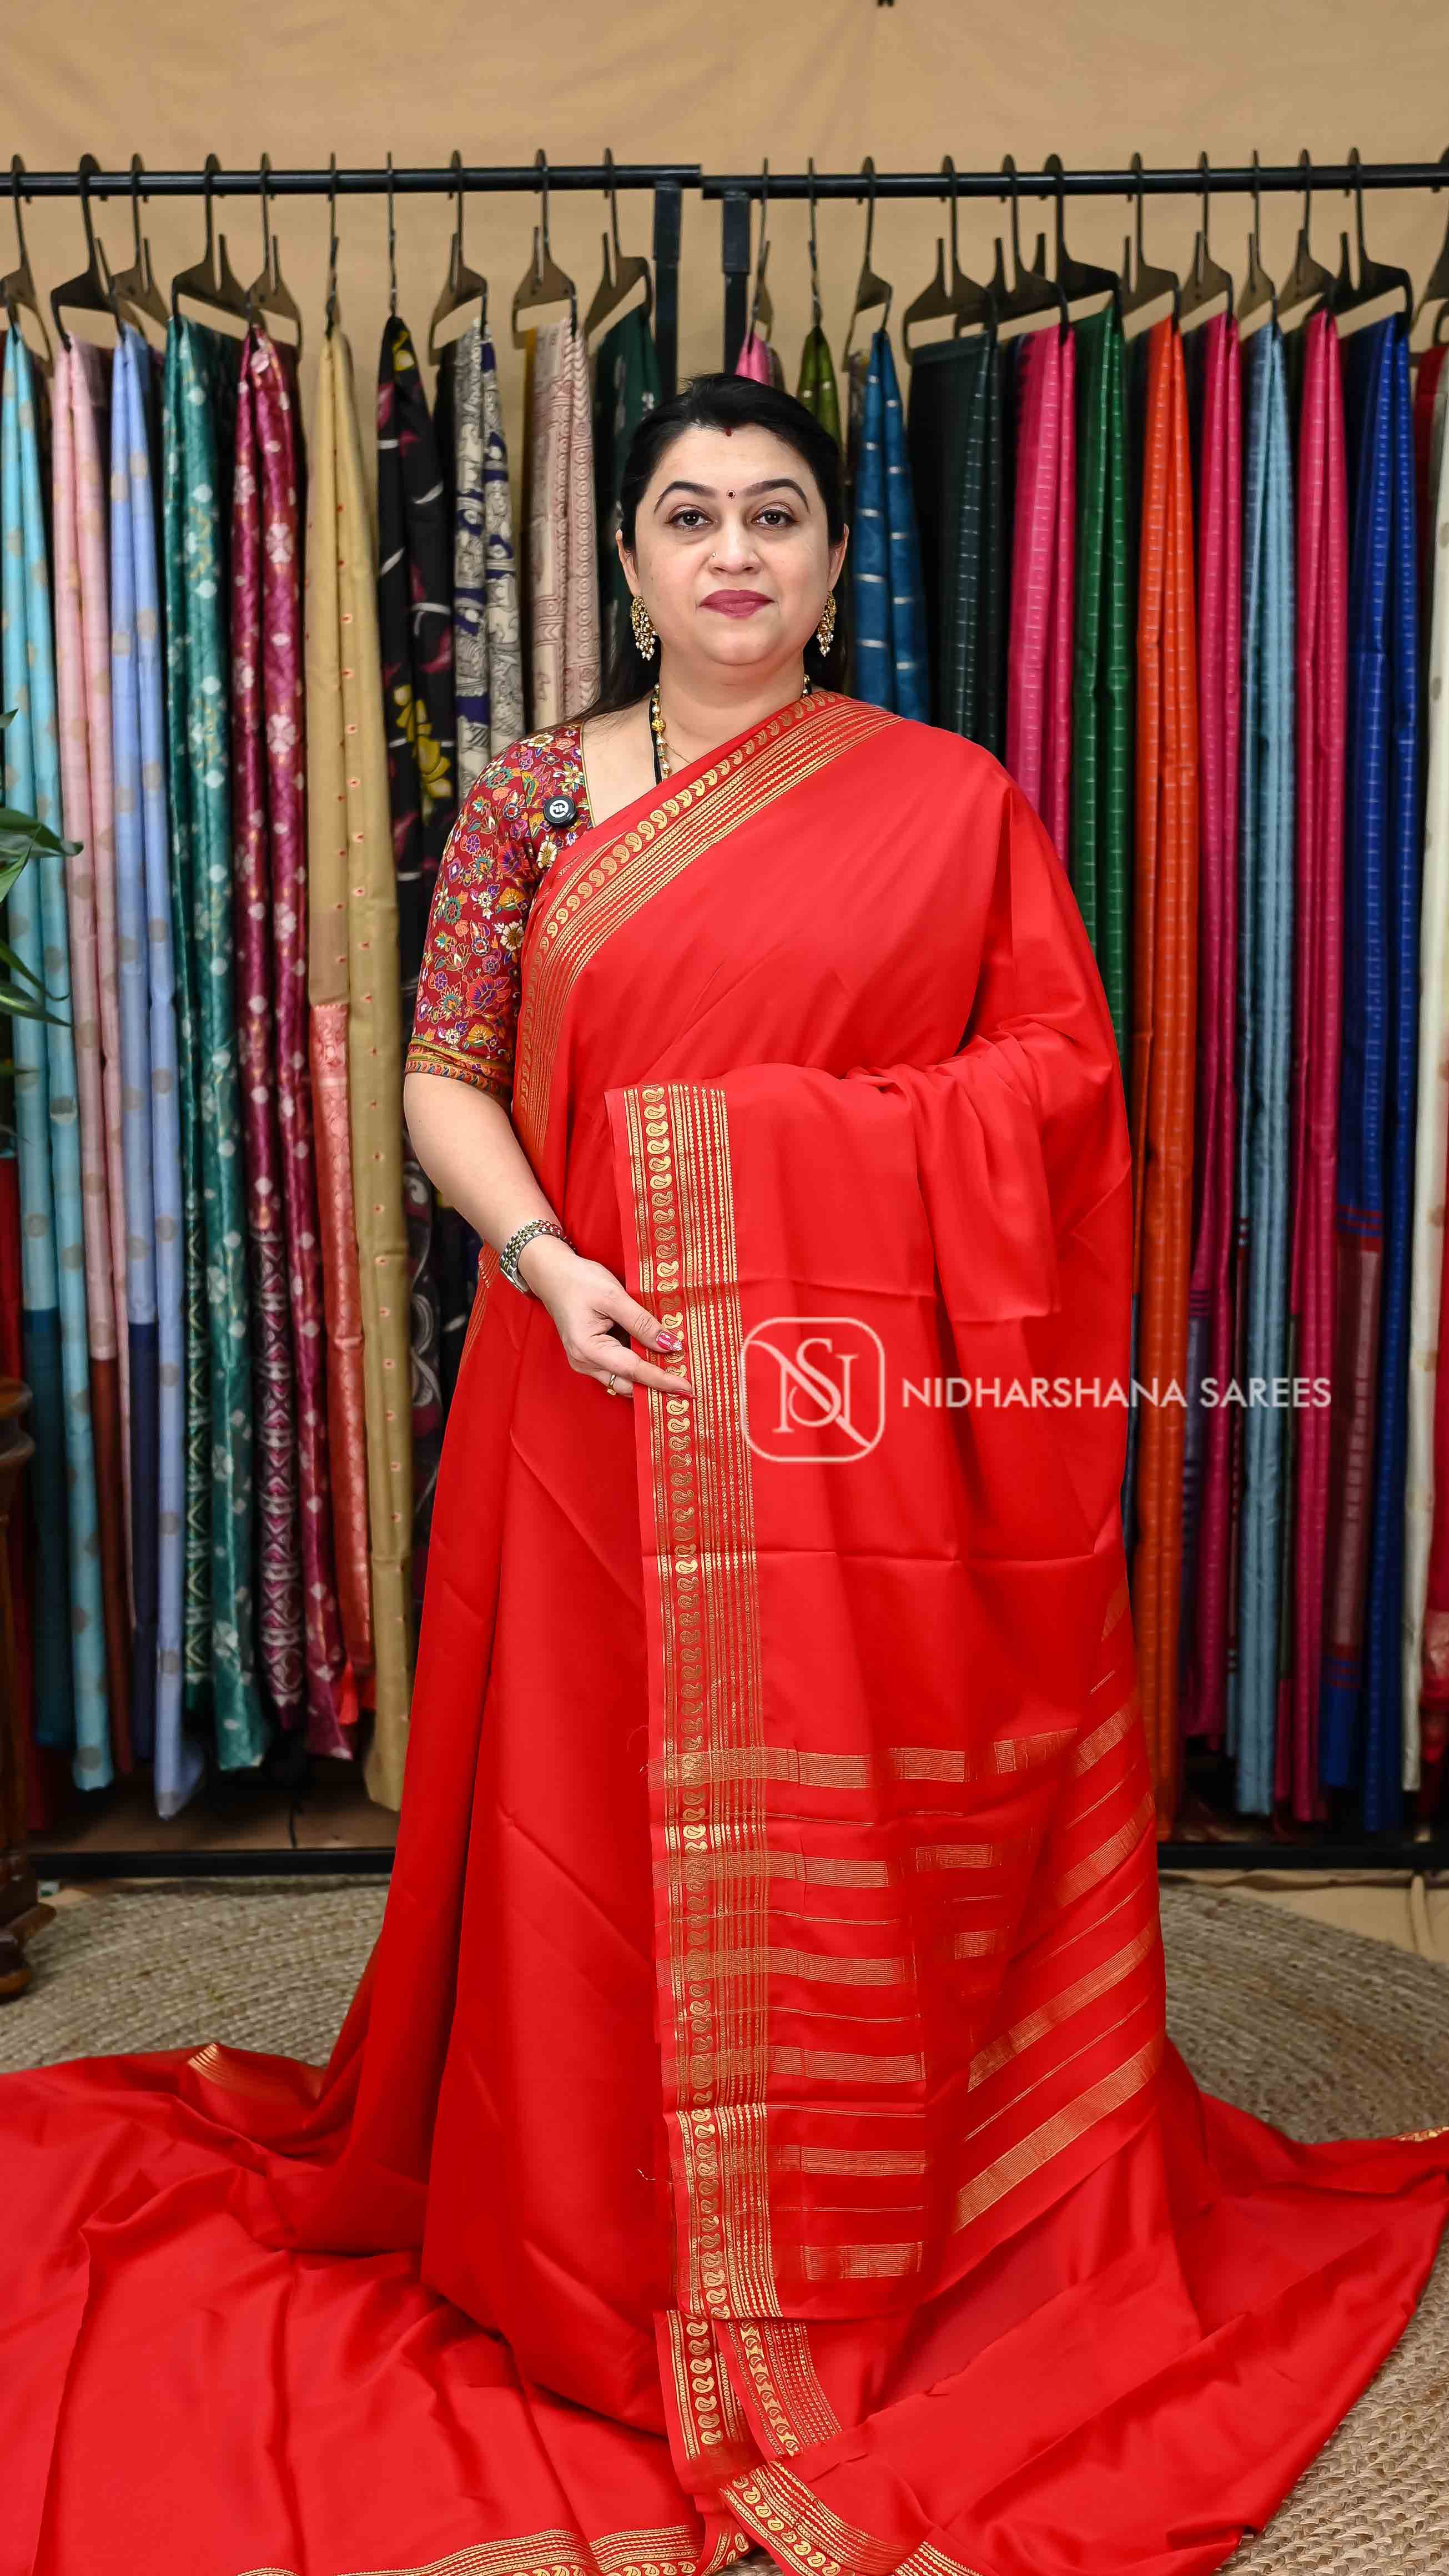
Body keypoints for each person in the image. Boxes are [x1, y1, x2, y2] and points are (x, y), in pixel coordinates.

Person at [3, 371, 1447, 2576]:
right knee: (593, 1818)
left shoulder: (948, 801)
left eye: (776, 513)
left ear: (840, 562)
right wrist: (551, 1253)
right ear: (626, 560)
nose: (733, 552)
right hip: (593, 1375)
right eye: (687, 515)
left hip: (858, 1424)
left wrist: (760, 1155)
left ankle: (868, 2209)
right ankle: (596, 2226)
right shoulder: (529, 800)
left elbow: (1055, 1088)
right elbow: (443, 1072)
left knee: (849, 1798)